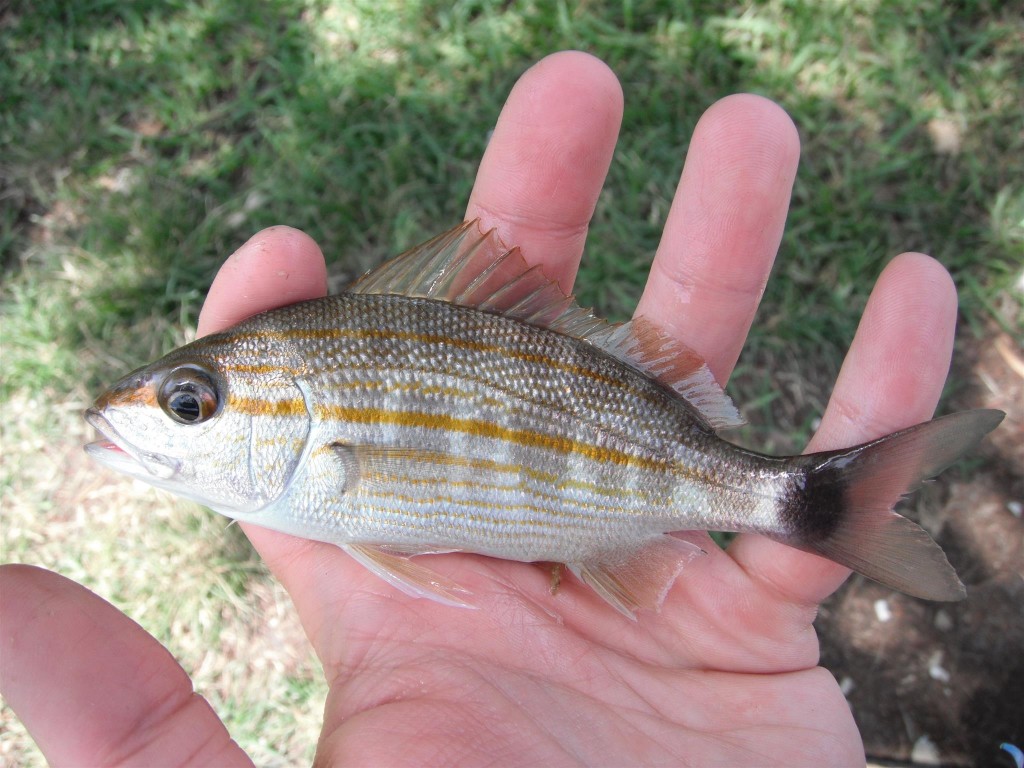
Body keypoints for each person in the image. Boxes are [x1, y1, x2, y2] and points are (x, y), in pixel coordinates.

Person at [0, 51, 960, 766]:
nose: (152, 417)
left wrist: (767, 494)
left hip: (631, 479)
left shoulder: (319, 469)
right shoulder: (303, 473)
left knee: (770, 489)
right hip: (611, 481)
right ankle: (803, 500)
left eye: (188, 403)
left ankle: (805, 500)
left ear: (291, 413)